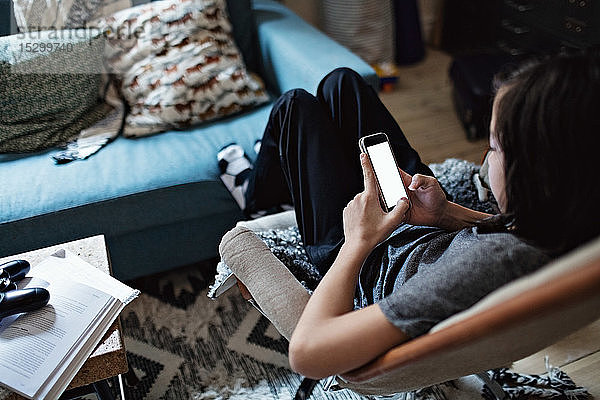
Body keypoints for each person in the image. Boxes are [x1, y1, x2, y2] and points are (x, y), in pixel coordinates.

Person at [219, 52, 600, 379]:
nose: (485, 159)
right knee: (342, 84)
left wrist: (357, 241)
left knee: (294, 107)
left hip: (366, 258)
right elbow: (507, 235)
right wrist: (444, 213)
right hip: (418, 224)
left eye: (495, 147)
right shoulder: (571, 225)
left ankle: (256, 195)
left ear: (540, 173)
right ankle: (279, 175)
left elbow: (308, 354)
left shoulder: (486, 265)